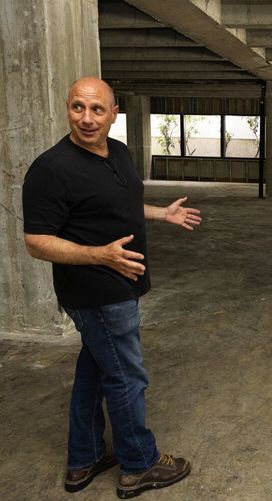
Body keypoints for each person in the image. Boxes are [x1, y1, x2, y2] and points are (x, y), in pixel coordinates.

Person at [22, 76, 201, 498]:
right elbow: (36, 241)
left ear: (113, 114)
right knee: (126, 377)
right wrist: (99, 255)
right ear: (67, 107)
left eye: (97, 109)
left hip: (123, 283)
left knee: (97, 371)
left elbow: (117, 204)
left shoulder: (117, 152)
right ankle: (139, 464)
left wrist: (159, 214)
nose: (87, 119)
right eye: (78, 108)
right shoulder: (50, 169)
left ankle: (84, 458)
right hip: (96, 292)